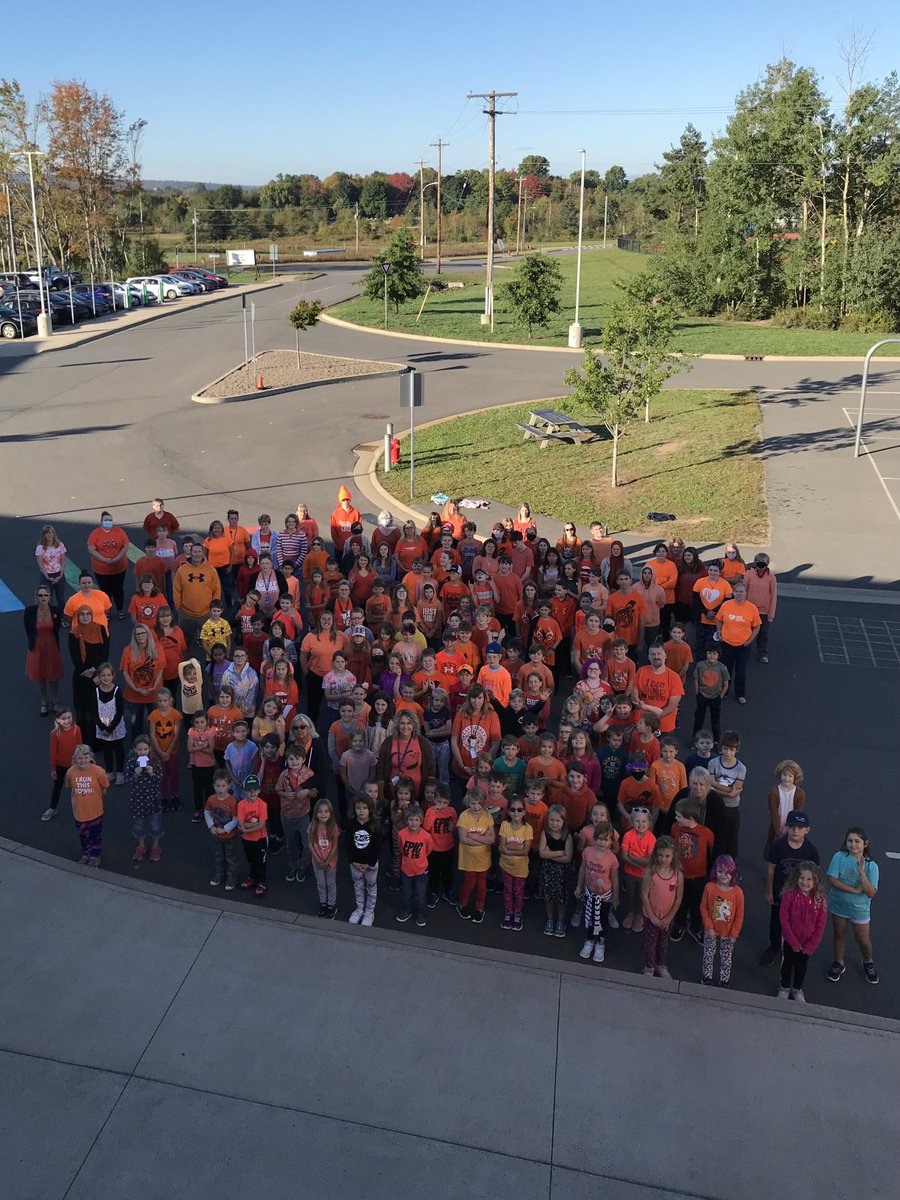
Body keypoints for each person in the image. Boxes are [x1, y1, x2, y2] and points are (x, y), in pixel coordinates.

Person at [760, 811, 820, 967]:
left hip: (801, 896)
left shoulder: (811, 851)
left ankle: (796, 949)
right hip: (780, 892)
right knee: (776, 920)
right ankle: (774, 947)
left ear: (807, 830)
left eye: (800, 827)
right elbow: (771, 868)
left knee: (799, 923)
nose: (795, 830)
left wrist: (815, 896)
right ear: (786, 827)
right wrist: (768, 891)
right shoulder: (778, 846)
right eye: (792, 826)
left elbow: (815, 877)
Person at [826, 827, 879, 985]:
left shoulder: (872, 866)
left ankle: (868, 961)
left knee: (863, 940)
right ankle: (838, 962)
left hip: (860, 909)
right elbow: (832, 879)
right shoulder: (839, 857)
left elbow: (870, 892)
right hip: (838, 905)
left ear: (865, 844)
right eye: (850, 841)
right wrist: (853, 889)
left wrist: (861, 873)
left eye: (857, 841)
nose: (853, 845)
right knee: (839, 935)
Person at [778, 863, 827, 1002]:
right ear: (796, 878)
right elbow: (784, 919)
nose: (804, 882)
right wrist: (792, 941)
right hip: (790, 940)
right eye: (801, 878)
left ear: (815, 881)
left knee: (801, 967)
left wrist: (811, 946)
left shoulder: (819, 900)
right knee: (787, 964)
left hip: (807, 943)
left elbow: (820, 926)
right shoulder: (789, 895)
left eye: (809, 879)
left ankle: (797, 989)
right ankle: (784, 987)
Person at [670, 797, 713, 943]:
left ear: (690, 818)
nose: (676, 819)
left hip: (699, 877)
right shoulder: (675, 827)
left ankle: (696, 927)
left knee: (697, 904)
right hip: (679, 874)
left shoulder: (706, 833)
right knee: (680, 902)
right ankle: (680, 924)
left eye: (679, 816)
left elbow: (711, 851)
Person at [574, 821, 618, 963]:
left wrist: (616, 897)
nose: (602, 842)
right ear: (594, 838)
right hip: (589, 892)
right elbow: (582, 869)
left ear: (611, 841)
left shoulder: (612, 858)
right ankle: (589, 940)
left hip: (604, 896)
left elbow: (615, 879)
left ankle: (600, 943)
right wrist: (579, 887)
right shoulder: (587, 852)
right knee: (590, 918)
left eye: (606, 839)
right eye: (599, 838)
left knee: (602, 920)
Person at [641, 835, 683, 979]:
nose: (663, 859)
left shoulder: (678, 875)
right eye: (660, 855)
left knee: (663, 944)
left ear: (673, 856)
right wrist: (652, 916)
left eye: (667, 856)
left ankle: (660, 965)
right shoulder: (651, 872)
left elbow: (678, 899)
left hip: (666, 918)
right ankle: (649, 966)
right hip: (651, 916)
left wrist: (668, 918)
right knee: (650, 943)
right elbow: (644, 895)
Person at [700, 855, 744, 987]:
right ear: (715, 871)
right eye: (720, 871)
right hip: (711, 930)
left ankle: (724, 979)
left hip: (728, 932)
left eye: (727, 872)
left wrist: (734, 933)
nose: (723, 875)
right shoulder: (709, 887)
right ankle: (707, 977)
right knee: (708, 954)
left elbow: (739, 914)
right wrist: (708, 927)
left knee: (726, 957)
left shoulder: (738, 892)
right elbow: (703, 907)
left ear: (733, 873)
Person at [714, 580, 760, 704]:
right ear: (733, 593)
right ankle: (725, 691)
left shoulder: (752, 608)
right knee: (726, 669)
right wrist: (719, 633)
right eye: (736, 591)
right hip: (727, 643)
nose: (739, 594)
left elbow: (757, 626)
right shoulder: (726, 605)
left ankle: (740, 694)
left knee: (741, 671)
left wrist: (750, 640)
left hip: (743, 645)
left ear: (746, 593)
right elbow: (719, 620)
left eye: (741, 591)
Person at [65, 743, 109, 866]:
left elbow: (104, 787)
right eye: (79, 758)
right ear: (74, 759)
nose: (83, 760)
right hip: (79, 812)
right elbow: (70, 786)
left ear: (91, 757)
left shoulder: (99, 772)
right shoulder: (70, 772)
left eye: (86, 757)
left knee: (96, 835)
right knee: (83, 836)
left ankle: (95, 855)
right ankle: (86, 853)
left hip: (95, 812)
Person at [455, 787, 495, 923]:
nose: (476, 806)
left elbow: (492, 839)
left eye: (479, 803)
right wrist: (482, 838)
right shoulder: (464, 816)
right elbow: (463, 839)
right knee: (468, 883)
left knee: (481, 885)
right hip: (468, 860)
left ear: (484, 802)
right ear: (467, 802)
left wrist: (472, 835)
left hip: (483, 859)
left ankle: (479, 907)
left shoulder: (487, 816)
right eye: (472, 803)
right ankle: (462, 903)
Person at [173, 543, 221, 652]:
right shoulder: (182, 570)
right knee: (185, 643)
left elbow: (217, 590)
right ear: (190, 552)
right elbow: (176, 590)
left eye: (199, 551)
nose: (197, 554)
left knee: (210, 642)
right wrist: (178, 608)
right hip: (186, 614)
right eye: (194, 551)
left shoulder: (211, 570)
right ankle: (186, 665)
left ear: (203, 553)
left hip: (206, 614)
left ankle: (211, 666)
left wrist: (214, 610)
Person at [119, 623, 164, 738]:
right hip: (134, 695)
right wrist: (136, 689)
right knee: (135, 724)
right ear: (134, 636)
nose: (140, 636)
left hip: (154, 694)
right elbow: (125, 672)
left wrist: (153, 687)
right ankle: (136, 750)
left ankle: (154, 749)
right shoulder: (128, 650)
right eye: (137, 634)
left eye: (143, 633)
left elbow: (160, 670)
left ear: (148, 634)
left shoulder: (157, 648)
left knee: (155, 724)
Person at [24, 585, 63, 715]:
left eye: (46, 595)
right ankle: (44, 702)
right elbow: (28, 629)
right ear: (36, 597)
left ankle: (55, 701)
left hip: (51, 646)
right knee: (40, 676)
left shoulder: (55, 610)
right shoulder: (29, 611)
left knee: (53, 675)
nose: (43, 597)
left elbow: (57, 628)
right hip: (37, 647)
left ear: (49, 596)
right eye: (40, 595)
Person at [344, 791, 382, 926]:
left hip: (370, 865)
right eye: (358, 808)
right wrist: (352, 861)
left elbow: (377, 847)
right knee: (358, 886)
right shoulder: (350, 824)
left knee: (371, 887)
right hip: (355, 864)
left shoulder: (375, 824)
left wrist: (369, 863)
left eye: (364, 808)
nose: (361, 811)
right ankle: (360, 908)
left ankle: (369, 912)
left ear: (370, 809)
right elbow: (347, 844)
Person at [707, 732, 746, 858]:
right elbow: (711, 783)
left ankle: (731, 867)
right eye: (725, 748)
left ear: (736, 750)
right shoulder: (713, 763)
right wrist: (728, 792)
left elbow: (736, 789)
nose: (728, 752)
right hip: (714, 805)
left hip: (731, 808)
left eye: (731, 749)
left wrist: (716, 787)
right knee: (713, 835)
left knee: (731, 838)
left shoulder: (741, 768)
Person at [125, 733, 163, 863]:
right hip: (138, 800)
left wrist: (152, 772)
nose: (142, 752)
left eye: (145, 749)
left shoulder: (155, 761)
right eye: (140, 749)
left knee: (155, 825)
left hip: (153, 799)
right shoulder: (131, 762)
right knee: (139, 825)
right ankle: (141, 846)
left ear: (149, 749)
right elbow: (128, 781)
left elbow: (159, 780)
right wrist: (135, 775)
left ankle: (155, 846)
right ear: (135, 750)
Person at [86, 511, 129, 619]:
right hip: (101, 569)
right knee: (105, 591)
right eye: (106, 520)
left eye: (110, 520)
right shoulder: (95, 533)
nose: (108, 522)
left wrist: (117, 558)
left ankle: (120, 609)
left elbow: (126, 545)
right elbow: (91, 549)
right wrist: (104, 559)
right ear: (101, 521)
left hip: (118, 568)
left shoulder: (119, 531)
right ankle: (106, 611)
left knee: (118, 589)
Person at [498, 798, 533, 931]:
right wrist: (517, 847)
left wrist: (508, 848)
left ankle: (518, 913)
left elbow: (525, 851)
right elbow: (501, 846)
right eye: (513, 809)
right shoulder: (505, 825)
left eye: (519, 810)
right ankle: (508, 912)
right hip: (505, 865)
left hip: (520, 868)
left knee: (518, 892)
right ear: (508, 811)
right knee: (507, 890)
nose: (516, 812)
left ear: (524, 812)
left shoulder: (527, 828)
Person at [395, 804, 433, 927]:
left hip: (421, 871)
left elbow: (428, 850)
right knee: (406, 892)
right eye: (410, 819)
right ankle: (407, 909)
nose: (413, 823)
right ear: (406, 821)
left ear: (421, 821)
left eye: (417, 820)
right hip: (406, 870)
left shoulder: (426, 836)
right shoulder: (401, 834)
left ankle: (420, 912)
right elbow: (401, 848)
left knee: (420, 893)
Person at [538, 803, 572, 937]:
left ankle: (560, 920)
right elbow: (542, 853)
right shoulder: (545, 834)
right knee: (549, 897)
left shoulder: (567, 836)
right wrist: (560, 853)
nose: (554, 823)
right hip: (548, 872)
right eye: (552, 820)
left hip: (562, 873)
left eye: (558, 820)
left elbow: (568, 858)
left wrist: (550, 854)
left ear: (564, 821)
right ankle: (550, 919)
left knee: (561, 899)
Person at [91, 663, 127, 785]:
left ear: (113, 675)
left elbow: (120, 711)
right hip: (102, 726)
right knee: (107, 749)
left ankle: (120, 772)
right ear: (99, 677)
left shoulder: (117, 690)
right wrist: (103, 728)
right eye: (103, 675)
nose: (106, 678)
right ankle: (110, 771)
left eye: (108, 675)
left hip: (115, 726)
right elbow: (94, 712)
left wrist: (111, 728)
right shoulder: (95, 692)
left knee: (118, 748)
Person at [620, 808, 656, 931]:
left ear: (649, 823)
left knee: (642, 895)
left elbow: (649, 861)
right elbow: (623, 856)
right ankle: (631, 913)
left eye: (644, 821)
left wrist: (632, 856)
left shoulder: (651, 838)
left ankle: (639, 915)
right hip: (630, 873)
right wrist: (641, 863)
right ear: (632, 822)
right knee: (630, 894)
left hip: (644, 876)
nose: (640, 824)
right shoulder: (627, 835)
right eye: (637, 821)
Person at [147, 688, 182, 812]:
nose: (162, 703)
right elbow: (152, 734)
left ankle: (174, 795)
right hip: (158, 751)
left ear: (170, 701)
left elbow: (176, 735)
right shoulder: (153, 715)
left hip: (172, 751)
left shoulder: (176, 715)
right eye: (160, 701)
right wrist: (160, 752)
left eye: (165, 700)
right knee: (161, 775)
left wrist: (167, 752)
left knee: (173, 774)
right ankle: (164, 797)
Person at [45, 707, 82, 822]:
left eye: (69, 718)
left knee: (77, 787)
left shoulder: (77, 729)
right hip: (60, 765)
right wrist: (53, 768)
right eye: (63, 718)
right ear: (57, 720)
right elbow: (53, 752)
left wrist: (81, 763)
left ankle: (81, 809)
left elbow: (79, 747)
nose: (67, 721)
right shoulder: (55, 733)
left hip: (74, 765)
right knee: (57, 787)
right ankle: (52, 808)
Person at [205, 769, 240, 891]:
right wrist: (211, 826)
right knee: (218, 856)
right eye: (218, 786)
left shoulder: (232, 801)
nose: (220, 789)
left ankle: (232, 877)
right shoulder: (211, 799)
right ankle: (219, 874)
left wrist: (225, 829)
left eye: (223, 786)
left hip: (229, 836)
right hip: (216, 835)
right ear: (213, 786)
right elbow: (207, 813)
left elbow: (236, 819)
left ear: (228, 786)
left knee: (230, 857)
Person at [764, 759, 806, 853]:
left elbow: (798, 813)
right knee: (772, 850)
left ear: (795, 777)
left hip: (791, 825)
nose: (787, 778)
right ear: (780, 775)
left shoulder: (800, 793)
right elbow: (773, 812)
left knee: (790, 849)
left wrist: (792, 828)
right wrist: (777, 829)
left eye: (790, 776)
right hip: (777, 824)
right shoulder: (774, 791)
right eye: (784, 775)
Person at [691, 643, 729, 743]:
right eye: (709, 653)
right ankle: (695, 740)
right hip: (702, 696)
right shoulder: (700, 665)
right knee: (699, 719)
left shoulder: (722, 668)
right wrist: (697, 693)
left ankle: (717, 741)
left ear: (718, 655)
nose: (711, 656)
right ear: (706, 654)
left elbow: (726, 683)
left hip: (715, 697)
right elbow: (695, 679)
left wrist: (720, 696)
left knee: (715, 721)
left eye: (714, 654)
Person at [310, 798, 340, 918]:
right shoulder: (312, 826)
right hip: (317, 862)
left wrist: (327, 861)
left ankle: (331, 905)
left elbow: (335, 846)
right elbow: (310, 844)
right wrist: (318, 859)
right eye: (320, 811)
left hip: (330, 862)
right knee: (321, 883)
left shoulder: (333, 827)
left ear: (331, 813)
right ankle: (323, 903)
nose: (323, 814)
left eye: (326, 811)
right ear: (316, 813)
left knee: (331, 883)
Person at [744, 552, 777, 663]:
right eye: (758, 562)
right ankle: (744, 651)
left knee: (763, 634)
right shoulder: (748, 574)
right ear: (754, 562)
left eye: (763, 563)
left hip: (764, 611)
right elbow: (744, 590)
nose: (760, 565)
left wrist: (771, 615)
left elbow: (773, 596)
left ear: (767, 564)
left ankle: (762, 653)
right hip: (749, 609)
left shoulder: (771, 577)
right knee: (747, 632)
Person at [35, 524, 67, 610]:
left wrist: (60, 575)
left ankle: (61, 618)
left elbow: (63, 560)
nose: (49, 535)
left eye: (51, 532)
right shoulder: (40, 547)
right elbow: (40, 564)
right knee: (47, 599)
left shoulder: (60, 545)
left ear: (54, 533)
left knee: (61, 599)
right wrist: (47, 577)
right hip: (46, 576)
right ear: (44, 535)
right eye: (47, 533)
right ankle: (49, 617)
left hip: (58, 574)